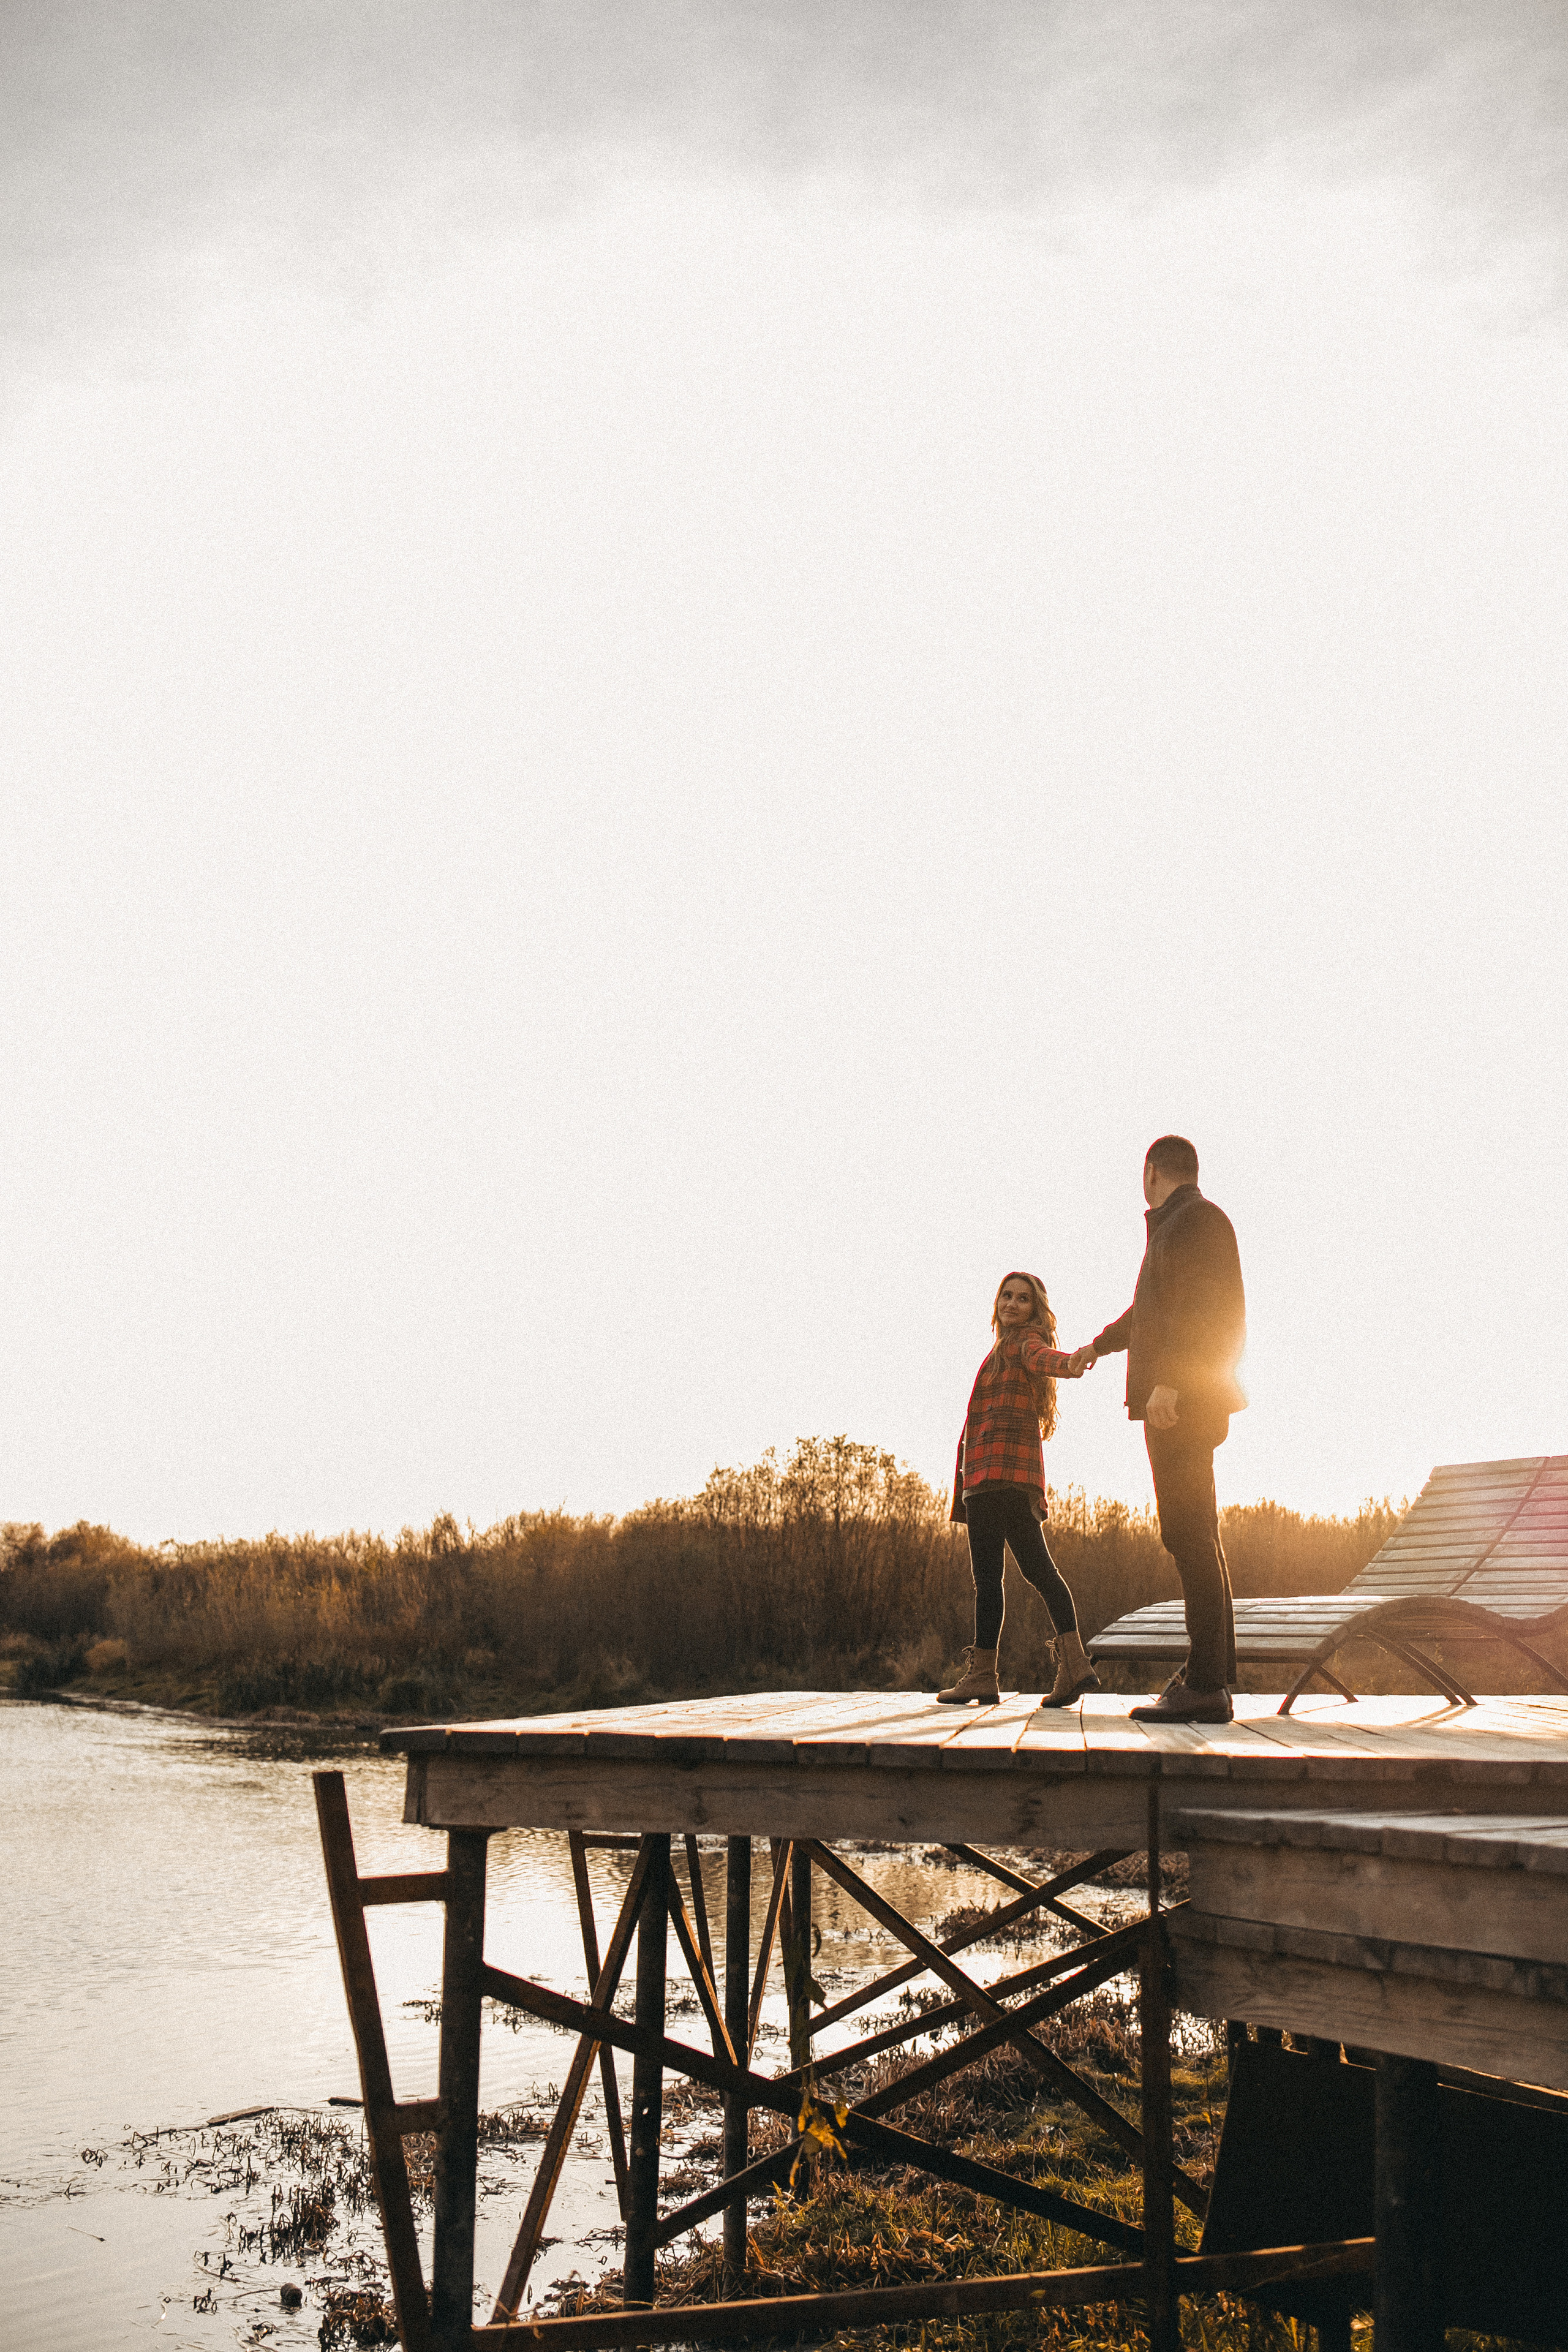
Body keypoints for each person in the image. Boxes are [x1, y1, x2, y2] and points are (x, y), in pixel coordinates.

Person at [1072, 1135, 1246, 1724]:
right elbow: (1150, 1313)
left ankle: (1205, 1684)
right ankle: (1212, 1678)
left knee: (1188, 1535)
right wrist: (1099, 1346)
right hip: (1179, 1401)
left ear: (1151, 1172)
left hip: (1180, 1404)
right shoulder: (1178, 1226)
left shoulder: (1194, 1221)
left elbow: (1204, 1310)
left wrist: (1171, 1381)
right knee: (1196, 1534)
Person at [940, 1271, 1099, 1709]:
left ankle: (983, 1676)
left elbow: (1043, 1357)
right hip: (1004, 1479)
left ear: (1035, 1310)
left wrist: (1072, 1362)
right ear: (997, 1303)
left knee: (989, 1581)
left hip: (995, 1479)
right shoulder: (998, 1351)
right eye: (1006, 1296)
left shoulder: (1020, 1343)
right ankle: (1075, 1664)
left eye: (1023, 1299)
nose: (1012, 1303)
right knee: (1040, 1572)